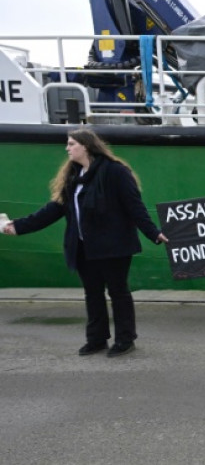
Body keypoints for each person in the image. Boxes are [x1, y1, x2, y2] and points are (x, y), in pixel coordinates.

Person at [1, 128, 168, 357]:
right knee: (93, 293)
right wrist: (18, 227)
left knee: (118, 292)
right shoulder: (74, 176)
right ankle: (97, 339)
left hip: (113, 246)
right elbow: (53, 210)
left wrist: (154, 233)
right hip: (83, 247)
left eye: (71, 144)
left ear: (86, 146)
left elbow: (134, 206)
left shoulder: (115, 172)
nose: (67, 148)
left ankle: (125, 339)